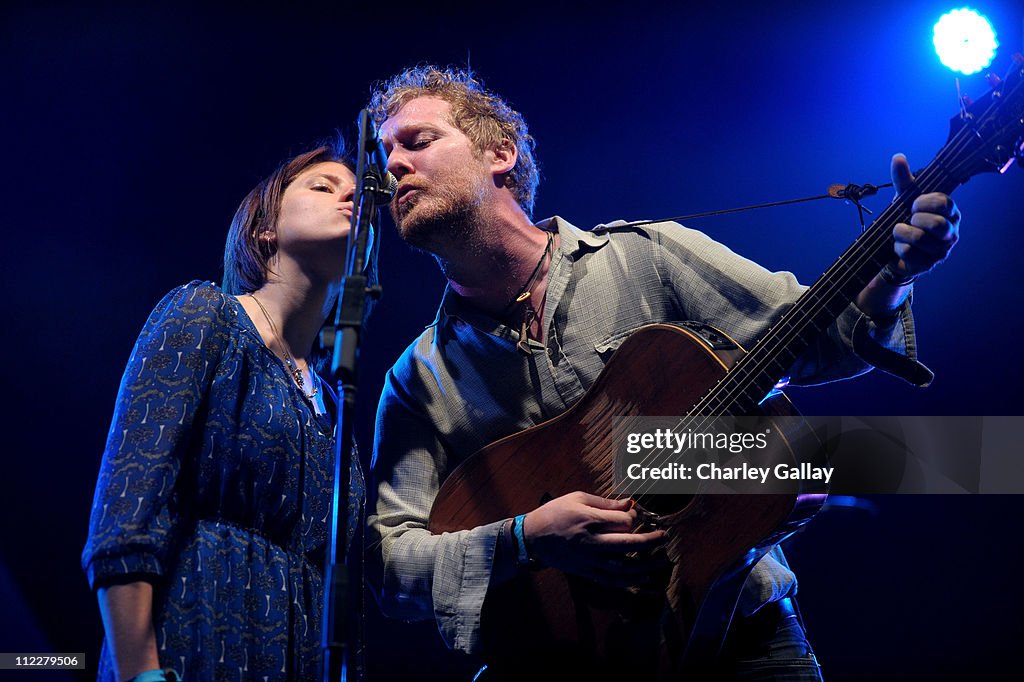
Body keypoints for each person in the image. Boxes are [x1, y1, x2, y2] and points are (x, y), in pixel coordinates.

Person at [365, 66, 959, 680]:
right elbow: (387, 565)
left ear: (500, 153)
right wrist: (526, 537)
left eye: (417, 141)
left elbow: (820, 341)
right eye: (385, 154)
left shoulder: (644, 256)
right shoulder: (418, 377)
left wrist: (892, 276)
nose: (393, 168)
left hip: (744, 641)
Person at [82, 139, 371, 681]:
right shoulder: (205, 315)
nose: (351, 198)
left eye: (358, 193)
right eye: (323, 187)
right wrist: (139, 674)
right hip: (196, 643)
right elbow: (126, 513)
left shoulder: (337, 403)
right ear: (264, 229)